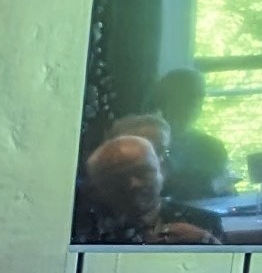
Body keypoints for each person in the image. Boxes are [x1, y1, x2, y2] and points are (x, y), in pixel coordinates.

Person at [76, 134, 220, 245]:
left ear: (161, 170)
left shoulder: (201, 220)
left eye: (142, 172)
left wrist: (205, 241)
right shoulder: (80, 227)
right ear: (98, 185)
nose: (133, 184)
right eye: (119, 177)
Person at [147, 69, 234, 201]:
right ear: (164, 99)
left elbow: (228, 193)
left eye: (200, 96)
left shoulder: (212, 147)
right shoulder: (145, 145)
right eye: (188, 96)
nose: (195, 103)